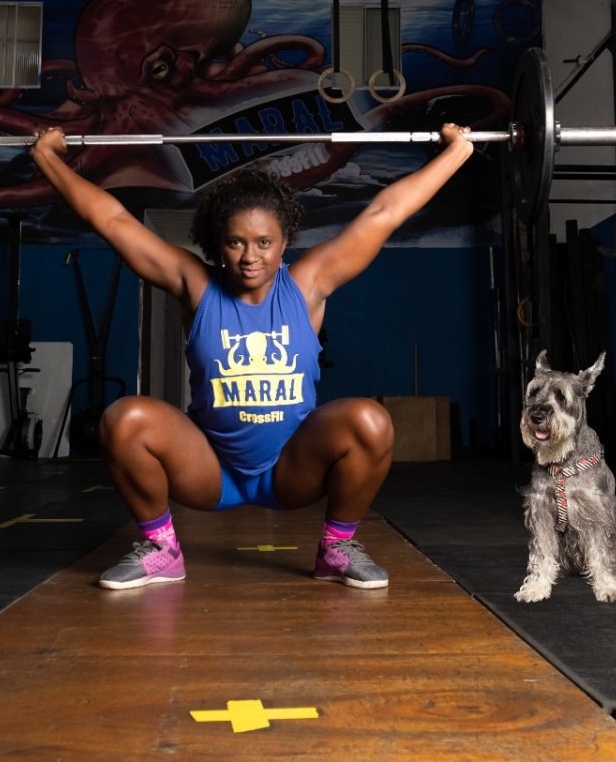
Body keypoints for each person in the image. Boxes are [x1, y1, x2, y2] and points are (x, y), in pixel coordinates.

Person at [30, 124, 474, 590]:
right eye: (236, 242)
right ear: (217, 244)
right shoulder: (195, 285)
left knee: (370, 422)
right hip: (209, 470)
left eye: (264, 242)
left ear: (285, 243)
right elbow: (114, 221)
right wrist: (49, 160)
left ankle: (336, 548)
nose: (249, 257)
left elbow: (384, 212)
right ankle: (162, 549)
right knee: (124, 419)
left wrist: (456, 153)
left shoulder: (308, 284)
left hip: (290, 470)